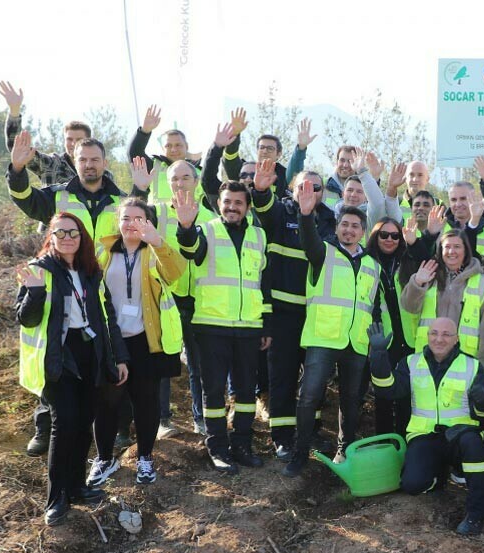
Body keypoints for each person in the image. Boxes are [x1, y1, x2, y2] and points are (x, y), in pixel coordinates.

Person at [8, 132, 130, 455]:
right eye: (83, 160)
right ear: (73, 163)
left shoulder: (119, 201)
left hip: (105, 291)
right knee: (57, 360)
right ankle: (45, 427)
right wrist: (18, 171)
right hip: (64, 287)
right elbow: (26, 199)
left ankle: (111, 430)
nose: (89, 165)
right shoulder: (58, 196)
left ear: (105, 163)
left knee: (106, 361)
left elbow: (138, 226)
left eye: (94, 160)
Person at [15, 213, 128, 525]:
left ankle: (78, 486)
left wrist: (118, 357)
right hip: (58, 357)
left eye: (73, 232)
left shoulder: (91, 272)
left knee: (83, 422)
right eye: (60, 232)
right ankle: (56, 497)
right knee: (63, 423)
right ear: (50, 237)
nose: (67, 237)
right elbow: (26, 319)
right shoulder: (39, 270)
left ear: (82, 238)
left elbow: (108, 318)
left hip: (90, 353)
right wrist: (35, 291)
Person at [86, 198, 187, 487]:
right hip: (110, 340)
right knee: (107, 402)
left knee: (146, 402)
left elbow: (177, 275)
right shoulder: (102, 251)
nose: (131, 223)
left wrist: (158, 242)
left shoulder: (155, 250)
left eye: (138, 218)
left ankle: (145, 457)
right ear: (117, 222)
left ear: (149, 222)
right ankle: (105, 459)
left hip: (147, 339)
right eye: (126, 217)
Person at [283, 183, 380, 477]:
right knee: (310, 395)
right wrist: (305, 212)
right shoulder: (322, 252)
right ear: (337, 228)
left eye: (355, 226)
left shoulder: (372, 265)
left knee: (351, 400)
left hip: (356, 342)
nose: (349, 230)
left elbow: (371, 306)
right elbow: (308, 236)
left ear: (363, 231)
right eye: (344, 225)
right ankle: (300, 453)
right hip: (323, 337)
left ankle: (344, 450)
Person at [176, 184, 273, 474]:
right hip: (211, 326)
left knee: (245, 392)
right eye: (227, 202)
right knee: (214, 392)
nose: (232, 207)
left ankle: (242, 445)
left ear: (247, 206)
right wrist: (185, 225)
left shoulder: (259, 235)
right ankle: (217, 448)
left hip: (248, 327)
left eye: (238, 203)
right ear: (219, 203)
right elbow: (191, 249)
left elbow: (262, 282)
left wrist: (266, 324)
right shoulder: (206, 230)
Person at [367, 318, 484, 535]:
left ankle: (477, 513)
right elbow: (387, 390)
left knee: (475, 445)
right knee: (412, 485)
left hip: (460, 436)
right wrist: (379, 355)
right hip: (424, 436)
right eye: (434, 333)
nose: (439, 338)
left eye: (446, 334)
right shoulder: (410, 363)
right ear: (427, 336)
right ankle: (437, 478)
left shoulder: (472, 365)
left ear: (456, 339)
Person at [250, 167, 337, 458]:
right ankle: (283, 438)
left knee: (314, 378)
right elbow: (263, 208)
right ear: (291, 188)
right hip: (282, 314)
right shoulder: (280, 212)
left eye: (317, 187)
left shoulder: (328, 219)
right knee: (283, 377)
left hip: (315, 313)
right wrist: (261, 191)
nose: (310, 191)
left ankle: (310, 433)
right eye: (303, 186)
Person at [137, 159, 218, 438]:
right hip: (165, 298)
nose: (180, 183)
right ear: (168, 183)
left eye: (186, 178)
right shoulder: (157, 212)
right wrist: (140, 188)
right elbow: (129, 218)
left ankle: (200, 419)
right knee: (164, 362)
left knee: (199, 365)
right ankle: (163, 420)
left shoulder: (209, 218)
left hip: (198, 300)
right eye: (175, 179)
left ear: (196, 182)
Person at [364, 216, 429, 437]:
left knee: (406, 399)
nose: (390, 239)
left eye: (395, 235)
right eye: (384, 235)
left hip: (410, 341)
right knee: (382, 398)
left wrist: (414, 243)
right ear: (375, 236)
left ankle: (405, 446)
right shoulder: (366, 262)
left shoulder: (409, 260)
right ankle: (385, 445)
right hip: (383, 341)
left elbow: (429, 262)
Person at [401, 231, 484, 371]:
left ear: (466, 250)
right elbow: (410, 307)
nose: (451, 251)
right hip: (428, 353)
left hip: (464, 356)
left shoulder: (482, 281)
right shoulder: (428, 274)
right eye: (447, 247)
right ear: (441, 250)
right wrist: (417, 282)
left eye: (457, 246)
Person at [0, 81, 96, 186]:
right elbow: (17, 148)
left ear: (88, 142)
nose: (73, 144)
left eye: (78, 140)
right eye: (69, 139)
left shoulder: (101, 173)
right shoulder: (51, 164)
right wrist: (14, 110)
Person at [128, 105, 209, 202]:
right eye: (168, 146)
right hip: (157, 217)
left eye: (178, 145)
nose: (173, 149)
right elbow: (134, 152)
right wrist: (145, 131)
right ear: (162, 148)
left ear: (186, 146)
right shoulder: (153, 167)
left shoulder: (200, 173)